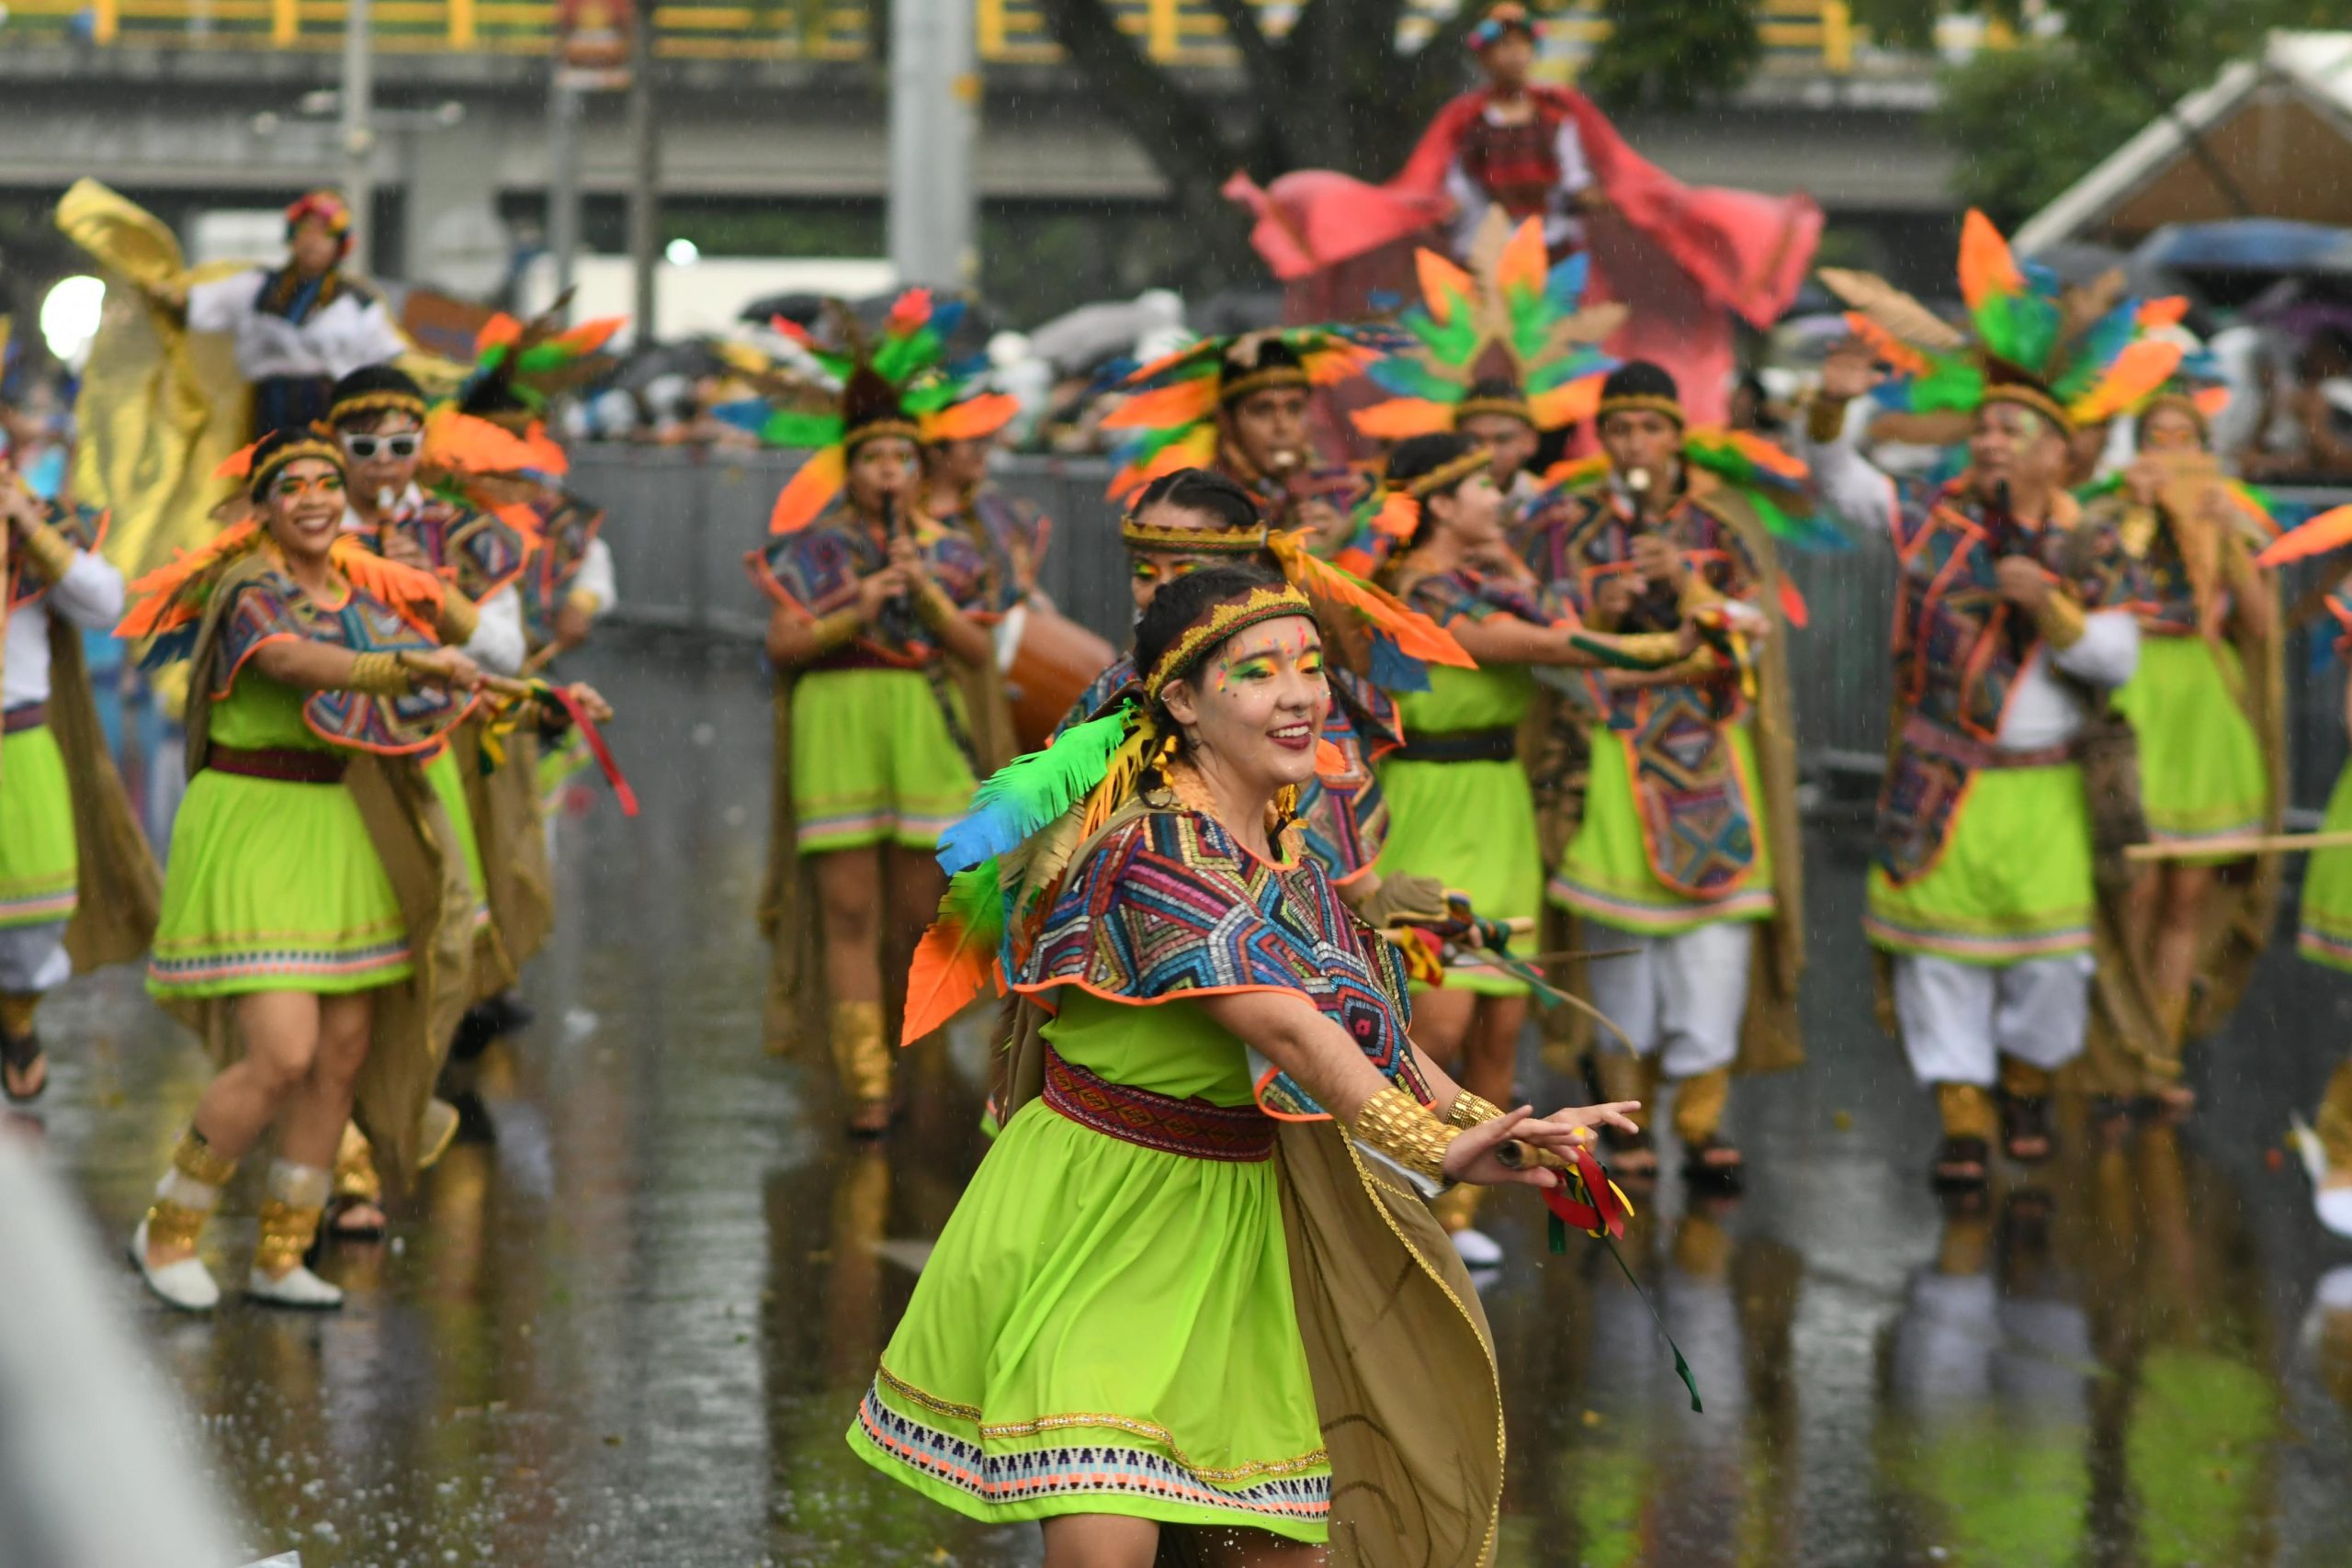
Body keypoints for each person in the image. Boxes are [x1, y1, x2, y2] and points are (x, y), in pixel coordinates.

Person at [850, 562, 1641, 1562]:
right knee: (1108, 1532)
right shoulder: (1151, 855)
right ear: (1179, 700)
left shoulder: (1295, 864)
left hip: (1241, 1229)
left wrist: (1496, 1128)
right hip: (1102, 1218)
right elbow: (1285, 1027)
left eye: (1309, 666)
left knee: (1272, 1551)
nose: (1301, 693)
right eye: (1259, 672)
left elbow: (1369, 1032)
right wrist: (1428, 1149)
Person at [1807, 211, 2176, 1187]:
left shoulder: (2099, 542)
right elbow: (1839, 481)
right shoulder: (1933, 524)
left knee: (2051, 967)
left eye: (2017, 430)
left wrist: (2051, 611)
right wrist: (1829, 407)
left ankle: (2022, 1084)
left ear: (2061, 453)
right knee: (1941, 965)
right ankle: (1964, 1121)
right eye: (1984, 428)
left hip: (2048, 792)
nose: (1995, 441)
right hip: (1943, 779)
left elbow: (2117, 660)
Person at [119, 428, 486, 1311]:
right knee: (282, 1053)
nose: (317, 497)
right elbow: (288, 661)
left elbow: (456, 648)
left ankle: (282, 1254)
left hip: (336, 824)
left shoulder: (357, 590)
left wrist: (545, 698)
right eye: (295, 485)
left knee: (341, 1056)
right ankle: (169, 1227)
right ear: (264, 508)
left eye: (330, 481)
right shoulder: (249, 589)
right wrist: (394, 664)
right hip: (255, 821)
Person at [1374, 432, 1707, 1259]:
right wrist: (1663, 644)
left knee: (1497, 1033)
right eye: (1487, 487)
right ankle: (1389, 1194)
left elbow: (1577, 666)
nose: (1503, 499)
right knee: (1434, 1032)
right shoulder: (1420, 591)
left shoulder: (1494, 581)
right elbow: (1543, 647)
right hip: (1431, 811)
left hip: (1500, 808)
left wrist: (1698, 662)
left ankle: (1457, 1217)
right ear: (1442, 505)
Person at [1518, 360, 1808, 1190]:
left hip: (1709, 759)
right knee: (1622, 954)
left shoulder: (1724, 525)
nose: (1634, 444)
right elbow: (1544, 636)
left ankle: (1703, 1117)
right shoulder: (1565, 525)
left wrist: (1686, 583)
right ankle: (1626, 1113)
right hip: (1611, 752)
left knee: (1714, 953)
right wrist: (1606, 609)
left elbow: (1751, 639)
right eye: (1618, 429)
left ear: (1679, 436)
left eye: (1648, 428)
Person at [753, 344, 997, 1135]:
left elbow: (980, 650)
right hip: (838, 719)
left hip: (921, 723)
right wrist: (859, 605)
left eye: (901, 455)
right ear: (848, 470)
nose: (888, 470)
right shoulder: (813, 548)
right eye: (872, 458)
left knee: (913, 913)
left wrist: (920, 590)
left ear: (920, 468)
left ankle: (908, 1043)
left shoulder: (955, 552)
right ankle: (864, 1082)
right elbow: (784, 645)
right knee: (848, 907)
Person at [2089, 384, 2283, 1106]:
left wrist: (2226, 537)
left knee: (2183, 900)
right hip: (2141, 696)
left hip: (2204, 709)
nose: (2173, 451)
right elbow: (2097, 594)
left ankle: (2160, 1055)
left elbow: (2260, 626)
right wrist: (2140, 512)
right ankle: (2122, 1045)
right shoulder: (2110, 514)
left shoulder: (2229, 517)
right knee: (2132, 891)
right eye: (2158, 436)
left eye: (2185, 438)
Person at [1347, 212, 1623, 571]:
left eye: (1503, 439)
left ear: (1530, 442)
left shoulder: (1562, 508)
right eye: (1476, 440)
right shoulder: (1419, 510)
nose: (1490, 454)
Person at [0, 479, 154, 1101]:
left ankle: (15, 1013)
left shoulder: (34, 528)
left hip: (21, 742)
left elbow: (105, 603)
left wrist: (28, 528)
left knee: (36, 915)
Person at [1105, 329, 1375, 556]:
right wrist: (1285, 557)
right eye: (1262, 410)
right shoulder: (1194, 502)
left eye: (1294, 408)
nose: (1282, 426)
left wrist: (1345, 541)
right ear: (1226, 421)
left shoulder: (1347, 491)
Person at [179, 191, 408, 436]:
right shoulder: (256, 287)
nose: (312, 240)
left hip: (328, 410)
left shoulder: (358, 301)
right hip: (266, 408)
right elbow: (194, 305)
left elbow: (388, 359)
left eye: (324, 233)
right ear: (292, 237)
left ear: (339, 245)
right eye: (304, 230)